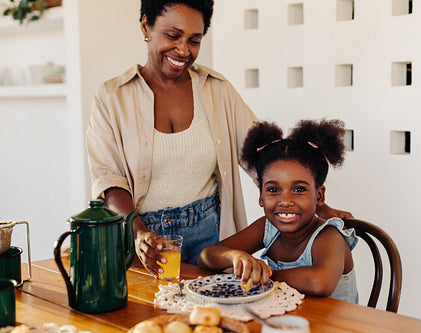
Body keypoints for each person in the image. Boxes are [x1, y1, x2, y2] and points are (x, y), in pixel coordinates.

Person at [86, 0, 353, 278]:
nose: (183, 50)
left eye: (194, 40)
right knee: (141, 318)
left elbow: (265, 157)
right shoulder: (112, 97)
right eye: (172, 35)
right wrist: (140, 234)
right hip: (141, 239)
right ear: (146, 25)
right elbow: (109, 180)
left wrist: (317, 206)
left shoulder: (216, 90)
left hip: (208, 236)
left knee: (210, 319)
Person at [198, 119, 359, 303]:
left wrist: (264, 274)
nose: (285, 201)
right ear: (261, 196)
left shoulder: (329, 236)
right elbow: (206, 256)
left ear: (319, 196)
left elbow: (320, 282)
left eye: (298, 189)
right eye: (273, 190)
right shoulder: (267, 228)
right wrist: (236, 256)